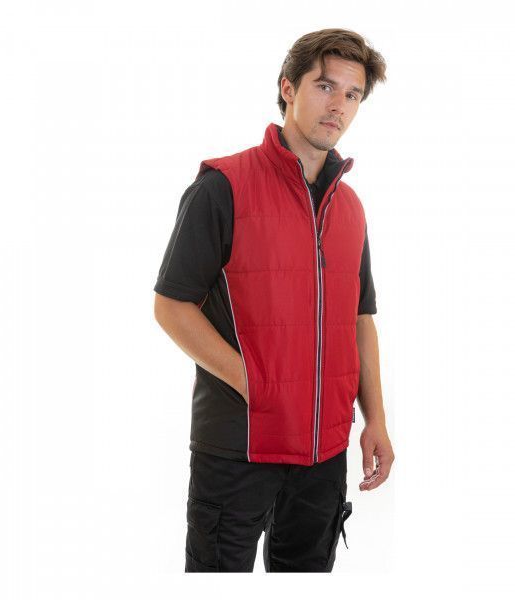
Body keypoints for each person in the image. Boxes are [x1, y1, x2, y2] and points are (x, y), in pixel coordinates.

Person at [153, 28, 394, 572]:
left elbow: (360, 317)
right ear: (288, 88)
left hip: (324, 450)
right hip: (238, 444)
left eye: (352, 94)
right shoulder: (223, 186)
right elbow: (171, 305)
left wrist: (375, 419)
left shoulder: (350, 208)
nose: (338, 106)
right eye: (325, 86)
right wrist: (252, 383)